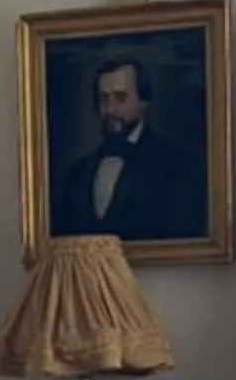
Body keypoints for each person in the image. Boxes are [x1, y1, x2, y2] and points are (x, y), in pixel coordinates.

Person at [52, 56, 201, 242]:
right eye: (104, 98)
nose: (110, 109)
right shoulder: (77, 173)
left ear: (143, 103)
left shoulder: (177, 167)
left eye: (121, 98)